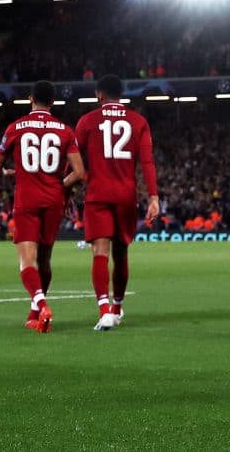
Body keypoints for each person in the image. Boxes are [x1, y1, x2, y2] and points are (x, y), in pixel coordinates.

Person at [0, 80, 85, 333]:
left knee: (27, 262)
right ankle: (34, 314)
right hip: (53, 200)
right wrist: (58, 185)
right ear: (53, 102)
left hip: (27, 199)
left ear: (30, 99)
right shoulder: (65, 130)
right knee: (45, 260)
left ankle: (42, 306)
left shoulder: (15, 127)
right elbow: (79, 173)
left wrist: (12, 172)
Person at [75, 74, 159, 331]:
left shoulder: (87, 121)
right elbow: (147, 162)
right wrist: (153, 197)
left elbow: (74, 161)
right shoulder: (138, 121)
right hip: (126, 195)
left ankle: (104, 311)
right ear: (121, 95)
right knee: (121, 254)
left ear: (99, 95)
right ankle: (118, 307)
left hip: (98, 194)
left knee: (100, 252)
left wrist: (66, 191)